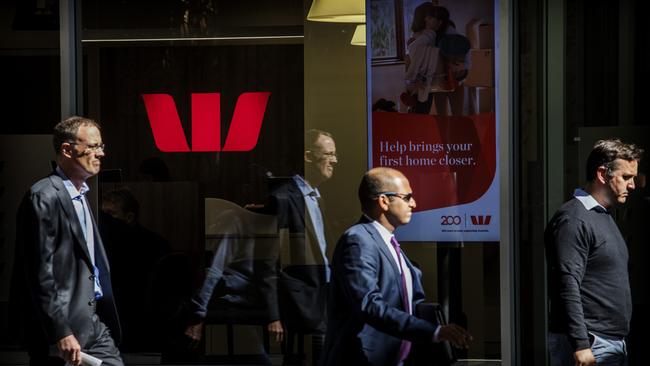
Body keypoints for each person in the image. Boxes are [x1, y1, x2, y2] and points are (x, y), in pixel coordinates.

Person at [322, 167, 472, 366]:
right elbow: (369, 305)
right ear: (384, 201)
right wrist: (434, 331)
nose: (414, 204)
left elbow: (409, 302)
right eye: (407, 197)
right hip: (364, 359)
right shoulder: (358, 241)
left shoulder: (389, 243)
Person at [10, 116, 122, 366]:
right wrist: (60, 330)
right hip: (62, 331)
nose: (100, 153)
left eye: (101, 146)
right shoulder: (44, 196)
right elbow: (40, 272)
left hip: (91, 323)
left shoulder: (81, 196)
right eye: (93, 146)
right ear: (67, 149)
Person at [545, 139, 643, 366]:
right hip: (591, 344)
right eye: (626, 177)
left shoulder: (602, 216)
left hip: (609, 342)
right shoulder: (574, 219)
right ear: (602, 174)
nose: (632, 186)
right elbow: (567, 283)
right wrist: (581, 344)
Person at [265, 129, 338, 364]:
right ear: (308, 156)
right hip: (301, 304)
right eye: (329, 154)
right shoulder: (283, 198)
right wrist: (273, 315)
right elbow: (271, 260)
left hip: (323, 295)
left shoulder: (317, 197)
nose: (335, 160)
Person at [99, 187, 170, 351]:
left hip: (133, 326)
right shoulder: (158, 241)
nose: (105, 221)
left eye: (111, 214)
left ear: (129, 217)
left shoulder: (127, 248)